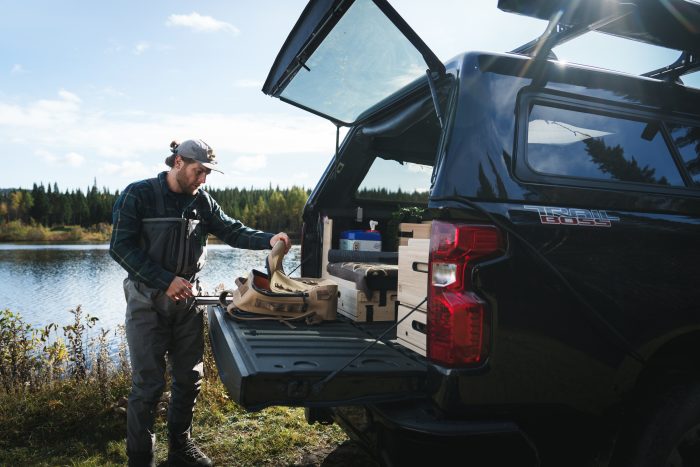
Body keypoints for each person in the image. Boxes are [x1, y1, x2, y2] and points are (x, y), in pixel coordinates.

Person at [109, 138, 291, 467]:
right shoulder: (139, 194)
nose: (202, 179)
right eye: (198, 171)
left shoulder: (202, 202)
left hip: (189, 300)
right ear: (177, 162)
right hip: (147, 301)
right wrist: (165, 281)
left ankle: (180, 449)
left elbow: (233, 232)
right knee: (147, 385)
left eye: (207, 173)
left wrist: (269, 239)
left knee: (190, 378)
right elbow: (120, 248)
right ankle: (140, 459)